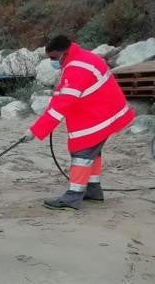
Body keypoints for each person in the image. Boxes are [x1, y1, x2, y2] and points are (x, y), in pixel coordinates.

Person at [23, 35, 135, 210]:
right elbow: (62, 94)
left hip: (100, 114)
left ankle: (73, 197)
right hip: (104, 111)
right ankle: (93, 189)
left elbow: (62, 105)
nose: (52, 61)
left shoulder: (76, 68)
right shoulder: (79, 58)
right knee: (93, 152)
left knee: (82, 151)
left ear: (64, 52)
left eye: (53, 57)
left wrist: (35, 131)